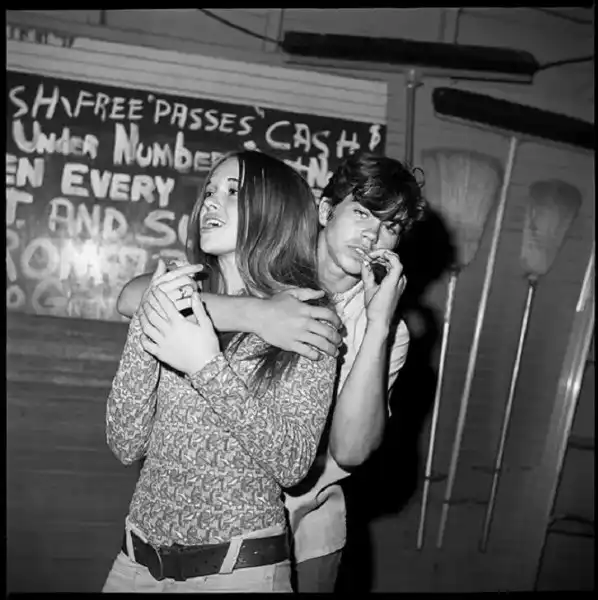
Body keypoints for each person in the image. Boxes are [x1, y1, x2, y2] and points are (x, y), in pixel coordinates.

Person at [117, 152, 427, 592]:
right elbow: (134, 297)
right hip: (189, 526)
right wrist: (258, 314)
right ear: (325, 211)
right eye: (362, 213)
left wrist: (378, 326)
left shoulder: (387, 330)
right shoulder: (259, 267)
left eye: (390, 227)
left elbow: (350, 451)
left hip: (303, 528)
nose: (373, 235)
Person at [102, 150, 338, 593]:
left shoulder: (306, 317)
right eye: (210, 191)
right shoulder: (182, 296)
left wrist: (206, 367)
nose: (210, 201)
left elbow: (292, 463)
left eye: (233, 191)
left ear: (275, 210)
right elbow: (124, 442)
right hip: (136, 566)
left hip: (238, 573)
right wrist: (153, 312)